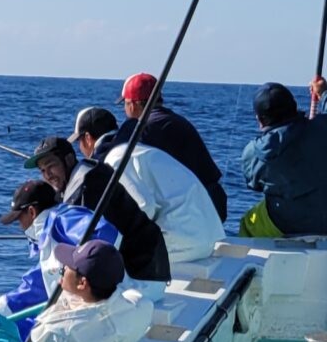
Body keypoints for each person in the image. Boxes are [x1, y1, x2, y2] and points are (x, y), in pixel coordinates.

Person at [83, 102, 226, 274]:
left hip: (187, 243)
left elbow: (144, 207)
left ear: (87, 139)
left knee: (105, 262)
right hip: (208, 236)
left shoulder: (116, 159)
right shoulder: (137, 149)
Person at [27, 136, 169, 282]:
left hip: (141, 276)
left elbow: (95, 244)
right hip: (152, 270)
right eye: (42, 170)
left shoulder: (86, 188)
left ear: (68, 159)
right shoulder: (89, 171)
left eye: (51, 166)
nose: (47, 175)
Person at [0, 177, 118, 340]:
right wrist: (2, 307)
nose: (20, 226)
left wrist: (85, 269)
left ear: (31, 212)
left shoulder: (60, 219)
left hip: (89, 313)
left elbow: (105, 232)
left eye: (19, 219)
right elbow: (39, 282)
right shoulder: (49, 233)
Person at [237, 81, 327, 238]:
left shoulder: (253, 152)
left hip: (284, 226)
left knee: (248, 223)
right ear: (294, 107)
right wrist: (324, 92)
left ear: (259, 119)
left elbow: (254, 185)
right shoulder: (326, 126)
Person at [114, 72, 230, 222]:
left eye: (125, 103)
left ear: (134, 104)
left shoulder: (142, 129)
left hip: (193, 211)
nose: (125, 110)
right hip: (214, 205)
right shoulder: (178, 121)